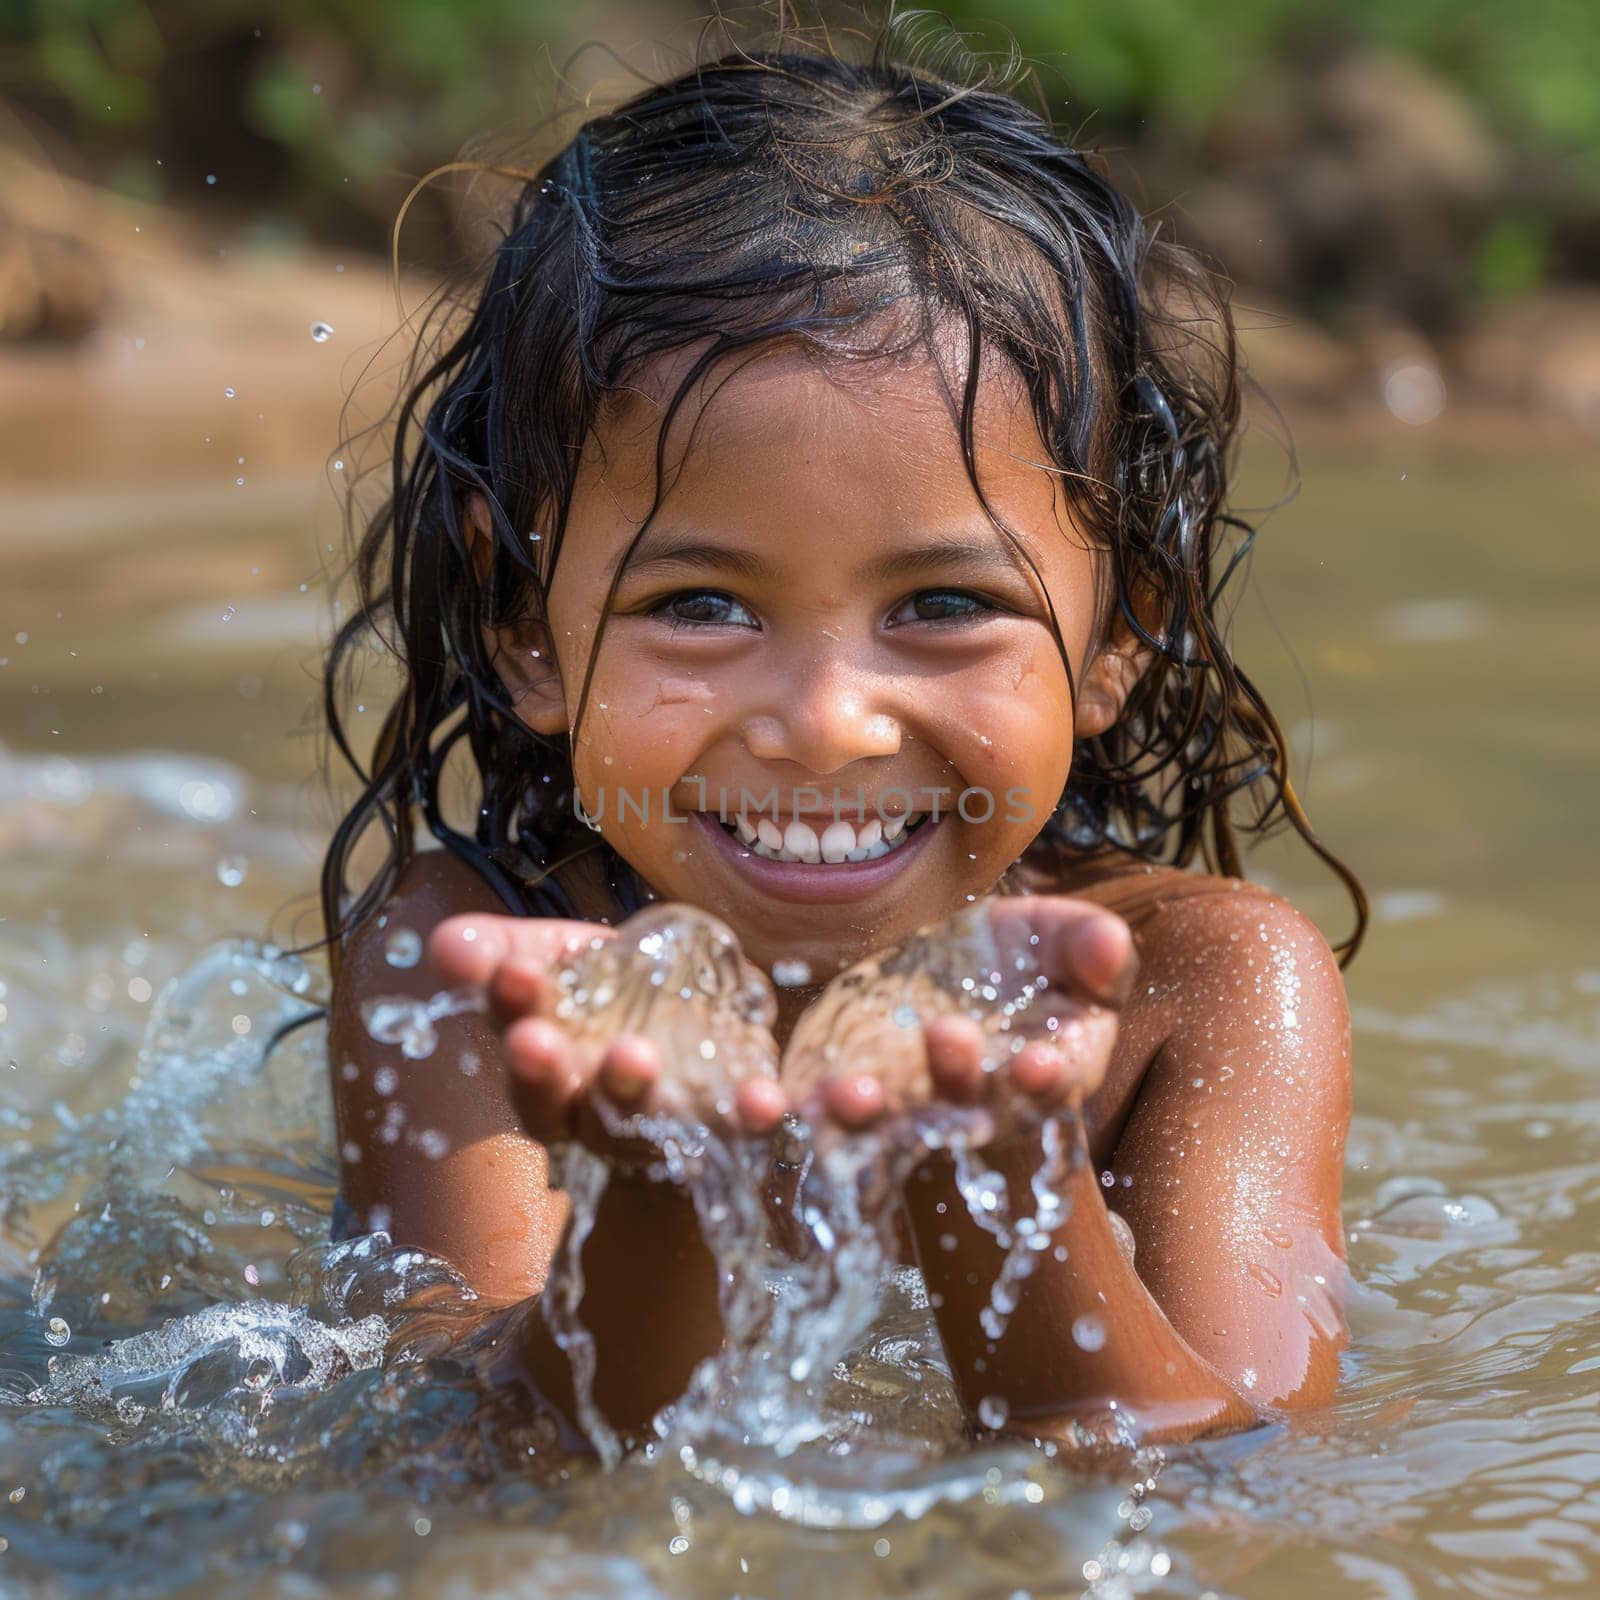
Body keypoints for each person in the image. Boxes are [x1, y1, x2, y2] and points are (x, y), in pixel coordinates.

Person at [320, 21, 1366, 1453]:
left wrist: (995, 1164)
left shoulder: (1210, 988)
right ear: (525, 628)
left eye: (943, 602)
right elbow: (483, 1476)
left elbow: (1235, 1472)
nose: (825, 725)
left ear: (1120, 630)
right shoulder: (469, 971)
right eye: (700, 605)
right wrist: (653, 1180)